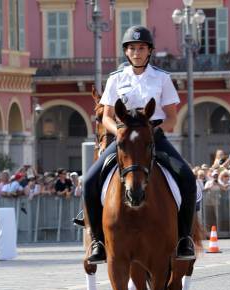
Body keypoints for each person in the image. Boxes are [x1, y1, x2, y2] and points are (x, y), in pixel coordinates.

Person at [82, 25, 197, 264]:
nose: (136, 52)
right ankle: (97, 241)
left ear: (149, 51)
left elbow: (172, 116)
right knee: (90, 181)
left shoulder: (162, 78)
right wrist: (120, 133)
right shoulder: (116, 78)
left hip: (154, 137)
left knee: (187, 177)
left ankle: (184, 238)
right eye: (132, 48)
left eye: (141, 48)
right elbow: (106, 116)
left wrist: (152, 132)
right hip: (124, 140)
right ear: (126, 52)